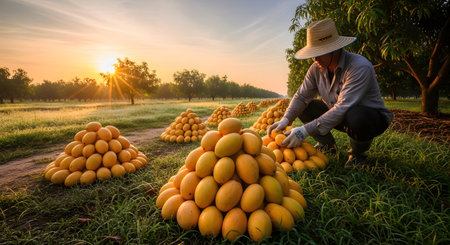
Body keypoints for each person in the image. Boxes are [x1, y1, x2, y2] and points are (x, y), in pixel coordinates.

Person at [268, 18, 393, 169]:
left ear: (334, 49)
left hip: (368, 118)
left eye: (319, 53)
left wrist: (305, 130)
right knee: (306, 106)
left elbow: (344, 106)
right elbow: (302, 96)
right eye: (313, 54)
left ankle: (357, 155)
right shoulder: (316, 68)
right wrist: (286, 119)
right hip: (338, 115)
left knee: (357, 116)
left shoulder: (359, 67)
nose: (315, 58)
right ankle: (327, 146)